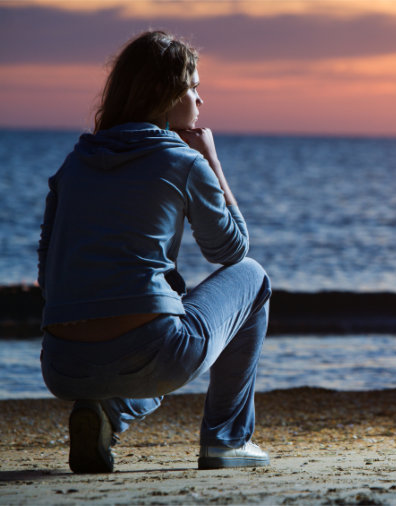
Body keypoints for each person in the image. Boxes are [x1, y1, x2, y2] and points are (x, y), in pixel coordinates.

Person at [37, 30, 271, 474]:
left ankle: (108, 414)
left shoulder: (73, 164)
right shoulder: (182, 161)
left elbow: (48, 275)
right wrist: (211, 160)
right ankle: (227, 440)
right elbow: (232, 250)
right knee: (254, 279)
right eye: (194, 87)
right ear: (165, 92)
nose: (201, 101)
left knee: (161, 312)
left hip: (62, 365)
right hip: (151, 354)